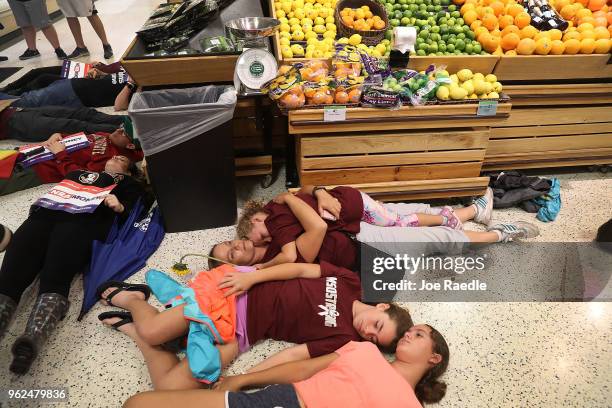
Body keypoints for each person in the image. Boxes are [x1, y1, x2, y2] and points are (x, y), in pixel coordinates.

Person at [97, 261, 414, 390]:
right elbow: (301, 269)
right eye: (377, 324)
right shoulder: (350, 283)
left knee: (169, 388)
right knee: (155, 330)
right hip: (237, 293)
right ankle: (135, 300)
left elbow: (293, 357)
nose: (367, 331)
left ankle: (134, 331)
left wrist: (245, 378)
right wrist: (253, 276)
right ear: (382, 306)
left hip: (242, 333)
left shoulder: (344, 338)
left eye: (373, 337)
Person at [0, 155, 146, 374]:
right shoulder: (78, 171)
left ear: (130, 171)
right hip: (44, 215)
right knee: (9, 277)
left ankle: (32, 339)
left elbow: (136, 211)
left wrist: (119, 206)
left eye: (123, 159)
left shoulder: (130, 184)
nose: (116, 156)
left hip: (82, 221)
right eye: (115, 155)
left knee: (55, 276)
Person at [211, 187, 540, 270]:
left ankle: (473, 211)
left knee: (406, 212)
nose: (237, 246)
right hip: (362, 249)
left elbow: (307, 195)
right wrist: (289, 196)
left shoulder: (274, 228)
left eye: (230, 243)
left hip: (351, 226)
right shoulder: (275, 262)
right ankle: (499, 235)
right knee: (435, 238)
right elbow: (314, 231)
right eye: (231, 255)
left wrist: (317, 192)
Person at [123, 324, 449, 408]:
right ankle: (144, 336)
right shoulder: (365, 351)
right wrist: (241, 379)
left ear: (434, 357)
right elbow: (302, 370)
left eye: (419, 334)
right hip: (283, 401)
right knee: (137, 403)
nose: (409, 333)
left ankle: (143, 334)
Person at [238, 186, 468, 270]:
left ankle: (446, 219)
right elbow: (303, 190)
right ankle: (445, 217)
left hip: (352, 206)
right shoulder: (279, 207)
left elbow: (289, 255)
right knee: (397, 217)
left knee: (400, 221)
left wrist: (263, 266)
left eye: (257, 237)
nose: (263, 241)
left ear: (256, 220)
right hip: (350, 210)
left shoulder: (276, 220)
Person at [0, 119, 143, 196]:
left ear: (130, 146)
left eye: (125, 133)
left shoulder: (112, 161)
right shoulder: (109, 136)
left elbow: (81, 177)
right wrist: (59, 135)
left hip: (34, 169)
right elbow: (79, 140)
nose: (119, 130)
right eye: (123, 126)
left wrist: (60, 154)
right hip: (30, 152)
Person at [0, 62, 137, 110]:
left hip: (76, 94)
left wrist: (130, 84)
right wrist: (99, 72)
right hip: (75, 83)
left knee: (26, 101)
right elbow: (109, 76)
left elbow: (119, 106)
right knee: (32, 92)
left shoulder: (137, 87)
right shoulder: (132, 71)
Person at [0, 104, 125, 142]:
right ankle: (127, 132)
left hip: (18, 110)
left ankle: (131, 120)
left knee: (83, 113)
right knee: (76, 126)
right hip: (15, 124)